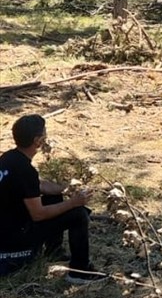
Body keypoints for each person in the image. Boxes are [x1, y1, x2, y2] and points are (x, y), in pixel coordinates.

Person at [0, 114, 101, 283]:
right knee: (78, 214)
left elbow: (38, 186)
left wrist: (68, 189)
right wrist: (73, 203)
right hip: (13, 241)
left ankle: (53, 252)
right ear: (38, 141)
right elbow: (38, 214)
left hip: (7, 226)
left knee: (54, 196)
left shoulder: (9, 158)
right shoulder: (25, 171)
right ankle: (80, 271)